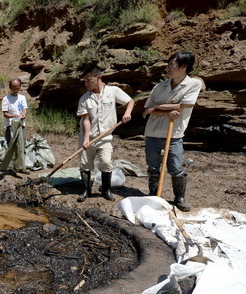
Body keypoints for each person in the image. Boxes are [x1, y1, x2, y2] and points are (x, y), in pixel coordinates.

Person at [143, 51, 202, 212]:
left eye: (172, 65)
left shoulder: (193, 84)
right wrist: (163, 110)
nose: (168, 68)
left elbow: (182, 107)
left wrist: (157, 107)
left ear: (184, 67)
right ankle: (153, 193)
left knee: (176, 167)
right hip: (153, 132)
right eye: (168, 65)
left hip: (174, 133)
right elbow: (147, 109)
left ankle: (179, 198)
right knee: (153, 166)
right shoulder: (159, 86)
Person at [76, 65, 134, 202]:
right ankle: (86, 190)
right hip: (88, 136)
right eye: (84, 81)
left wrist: (127, 113)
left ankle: (106, 190)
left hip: (105, 137)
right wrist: (85, 139)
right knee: (85, 163)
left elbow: (130, 101)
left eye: (88, 80)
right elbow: (86, 120)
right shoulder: (84, 99)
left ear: (99, 78)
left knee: (106, 162)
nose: (86, 83)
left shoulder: (113, 91)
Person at [0, 78, 28, 175]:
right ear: (10, 87)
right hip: (10, 126)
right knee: (11, 146)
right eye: (13, 88)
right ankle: (10, 168)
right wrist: (14, 116)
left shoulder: (22, 98)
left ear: (20, 87)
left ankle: (21, 167)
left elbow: (24, 109)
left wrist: (23, 114)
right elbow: (5, 114)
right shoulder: (6, 99)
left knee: (22, 146)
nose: (15, 90)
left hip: (21, 126)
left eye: (17, 88)